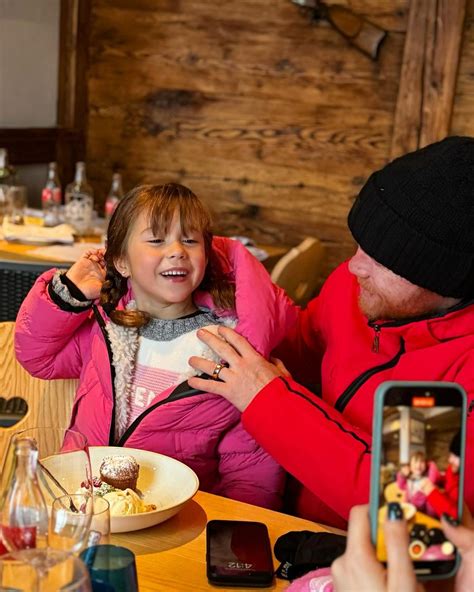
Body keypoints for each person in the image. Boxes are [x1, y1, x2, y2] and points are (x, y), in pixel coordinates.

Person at [187, 136, 474, 529]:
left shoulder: (463, 366)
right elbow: (287, 356)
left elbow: (406, 508)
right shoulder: (355, 289)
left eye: (383, 260)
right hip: (278, 520)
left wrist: (271, 400)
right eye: (359, 244)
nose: (355, 266)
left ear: (445, 280)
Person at [15, 183, 298, 509]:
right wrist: (69, 294)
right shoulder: (105, 327)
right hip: (82, 505)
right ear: (121, 261)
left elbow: (250, 473)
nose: (177, 250)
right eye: (156, 239)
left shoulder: (230, 352)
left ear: (206, 256)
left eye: (190, 240)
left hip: (174, 520)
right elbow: (36, 355)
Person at [420, 432, 461, 520]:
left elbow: (459, 519)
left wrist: (432, 493)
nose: (450, 460)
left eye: (457, 456)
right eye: (450, 454)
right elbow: (446, 480)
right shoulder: (453, 468)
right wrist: (434, 475)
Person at [396, 451, 440, 515]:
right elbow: (401, 486)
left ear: (426, 465)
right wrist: (402, 474)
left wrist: (431, 463)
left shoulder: (426, 482)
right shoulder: (409, 479)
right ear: (410, 466)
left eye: (422, 462)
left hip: (421, 515)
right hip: (408, 511)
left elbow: (433, 478)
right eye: (415, 461)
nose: (418, 465)